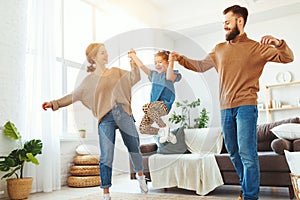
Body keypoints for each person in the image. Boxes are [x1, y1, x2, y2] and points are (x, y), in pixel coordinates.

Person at [171, 5, 294, 200]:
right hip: (225, 108)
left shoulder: (256, 48)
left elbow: (288, 57)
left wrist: (278, 43)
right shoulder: (219, 49)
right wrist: (181, 59)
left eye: (227, 23)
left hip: (246, 106)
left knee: (247, 154)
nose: (225, 27)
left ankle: (250, 196)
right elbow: (200, 65)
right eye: (223, 24)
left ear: (240, 21)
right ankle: (247, 189)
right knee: (234, 153)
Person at [42, 43, 148, 200]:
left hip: (123, 112)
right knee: (106, 155)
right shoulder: (89, 81)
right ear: (93, 57)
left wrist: (133, 60)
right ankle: (106, 192)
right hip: (105, 117)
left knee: (134, 148)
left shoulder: (116, 72)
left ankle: (140, 175)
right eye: (102, 53)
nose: (106, 55)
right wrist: (54, 103)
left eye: (106, 52)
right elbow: (73, 95)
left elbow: (135, 77)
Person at [128, 49, 182, 143]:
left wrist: (171, 62)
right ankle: (165, 133)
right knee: (143, 128)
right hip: (152, 109)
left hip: (164, 105)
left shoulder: (172, 74)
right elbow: (142, 66)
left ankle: (164, 127)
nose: (157, 64)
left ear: (167, 62)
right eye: (155, 62)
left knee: (146, 107)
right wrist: (133, 56)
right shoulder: (153, 75)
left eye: (160, 62)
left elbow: (169, 76)